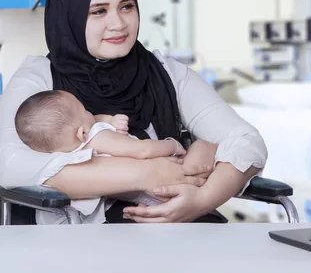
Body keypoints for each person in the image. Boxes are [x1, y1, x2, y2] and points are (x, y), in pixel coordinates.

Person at [0, 0, 268, 224]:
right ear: (69, 15)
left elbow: (247, 142)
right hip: (86, 247)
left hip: (181, 233)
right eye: (99, 11)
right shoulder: (39, 78)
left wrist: (202, 200)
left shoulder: (167, 73)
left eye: (127, 6)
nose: (118, 24)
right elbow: (8, 164)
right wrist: (147, 173)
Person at [13, 89, 218, 224]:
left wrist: (108, 119)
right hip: (164, 181)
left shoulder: (68, 152)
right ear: (82, 133)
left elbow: (93, 122)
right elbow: (142, 151)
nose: (90, 112)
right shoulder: (98, 136)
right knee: (202, 146)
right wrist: (171, 144)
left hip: (149, 196)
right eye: (84, 110)